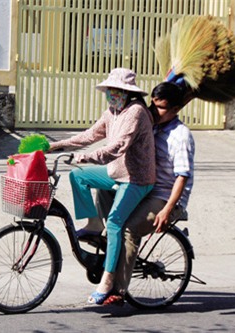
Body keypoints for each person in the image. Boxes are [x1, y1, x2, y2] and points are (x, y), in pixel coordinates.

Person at [48, 68, 156, 305]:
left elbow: (118, 147)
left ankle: (108, 280)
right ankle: (94, 224)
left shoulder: (136, 112)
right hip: (115, 172)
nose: (111, 94)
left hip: (137, 178)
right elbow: (90, 135)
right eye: (109, 90)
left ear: (128, 93)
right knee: (79, 177)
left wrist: (86, 157)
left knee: (116, 223)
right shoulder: (112, 112)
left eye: (116, 91)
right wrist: (57, 146)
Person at [93, 81, 195, 305]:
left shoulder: (181, 136)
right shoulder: (152, 124)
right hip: (142, 185)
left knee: (129, 230)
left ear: (176, 109)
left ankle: (117, 290)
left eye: (161, 108)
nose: (154, 111)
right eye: (153, 105)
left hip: (164, 197)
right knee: (103, 190)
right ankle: (109, 238)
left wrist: (168, 209)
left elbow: (183, 176)